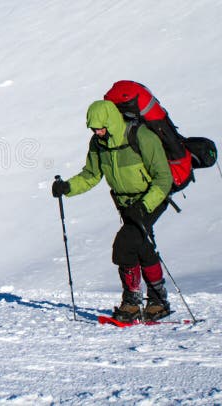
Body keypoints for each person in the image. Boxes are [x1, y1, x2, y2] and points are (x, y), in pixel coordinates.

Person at [52, 100, 173, 322]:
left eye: (100, 127)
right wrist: (67, 187)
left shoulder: (142, 137)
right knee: (141, 246)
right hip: (125, 204)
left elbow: (164, 178)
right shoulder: (99, 144)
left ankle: (132, 302)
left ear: (111, 122)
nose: (97, 132)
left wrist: (145, 205)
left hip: (152, 200)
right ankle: (158, 301)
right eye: (93, 129)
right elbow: (91, 175)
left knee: (124, 245)